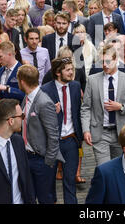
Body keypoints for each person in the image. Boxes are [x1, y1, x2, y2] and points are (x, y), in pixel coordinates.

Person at [81, 44, 125, 166]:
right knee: (104, 169)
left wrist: (121, 107)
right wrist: (86, 130)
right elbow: (86, 108)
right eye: (102, 62)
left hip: (121, 133)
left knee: (119, 169)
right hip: (100, 132)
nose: (104, 65)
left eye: (108, 61)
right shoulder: (92, 80)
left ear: (116, 60)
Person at [17, 64, 63, 204]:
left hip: (41, 161)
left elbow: (53, 136)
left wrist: (48, 162)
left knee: (45, 199)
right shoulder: (26, 98)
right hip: (27, 157)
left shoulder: (44, 102)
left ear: (22, 82)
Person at [41, 57, 83, 204]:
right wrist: (52, 112)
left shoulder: (76, 86)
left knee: (70, 181)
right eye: (68, 70)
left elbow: (78, 112)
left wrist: (80, 138)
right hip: (52, 143)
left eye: (72, 69)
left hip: (71, 140)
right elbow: (37, 115)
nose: (72, 72)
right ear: (58, 73)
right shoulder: (45, 89)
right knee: (49, 182)